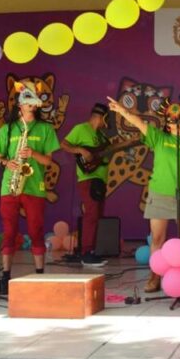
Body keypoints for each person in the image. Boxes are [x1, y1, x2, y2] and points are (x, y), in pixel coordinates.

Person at [108, 95, 180, 294]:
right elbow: (139, 122)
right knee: (157, 238)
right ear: (167, 123)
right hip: (159, 194)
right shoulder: (159, 138)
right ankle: (154, 276)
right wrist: (122, 110)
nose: (176, 122)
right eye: (172, 119)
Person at [0, 81, 61, 294]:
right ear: (20, 105)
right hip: (10, 185)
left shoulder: (45, 128)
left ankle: (39, 274)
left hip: (34, 186)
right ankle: (5, 276)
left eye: (34, 101)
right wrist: (7, 162)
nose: (32, 105)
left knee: (36, 230)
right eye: (28, 101)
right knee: (9, 231)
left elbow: (48, 161)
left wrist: (32, 154)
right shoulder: (7, 128)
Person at [60, 103, 112, 266]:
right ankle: (86, 252)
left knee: (97, 215)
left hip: (100, 179)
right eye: (107, 118)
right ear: (101, 117)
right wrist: (81, 150)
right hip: (88, 178)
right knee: (91, 214)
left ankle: (92, 251)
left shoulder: (101, 136)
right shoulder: (81, 128)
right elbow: (64, 144)